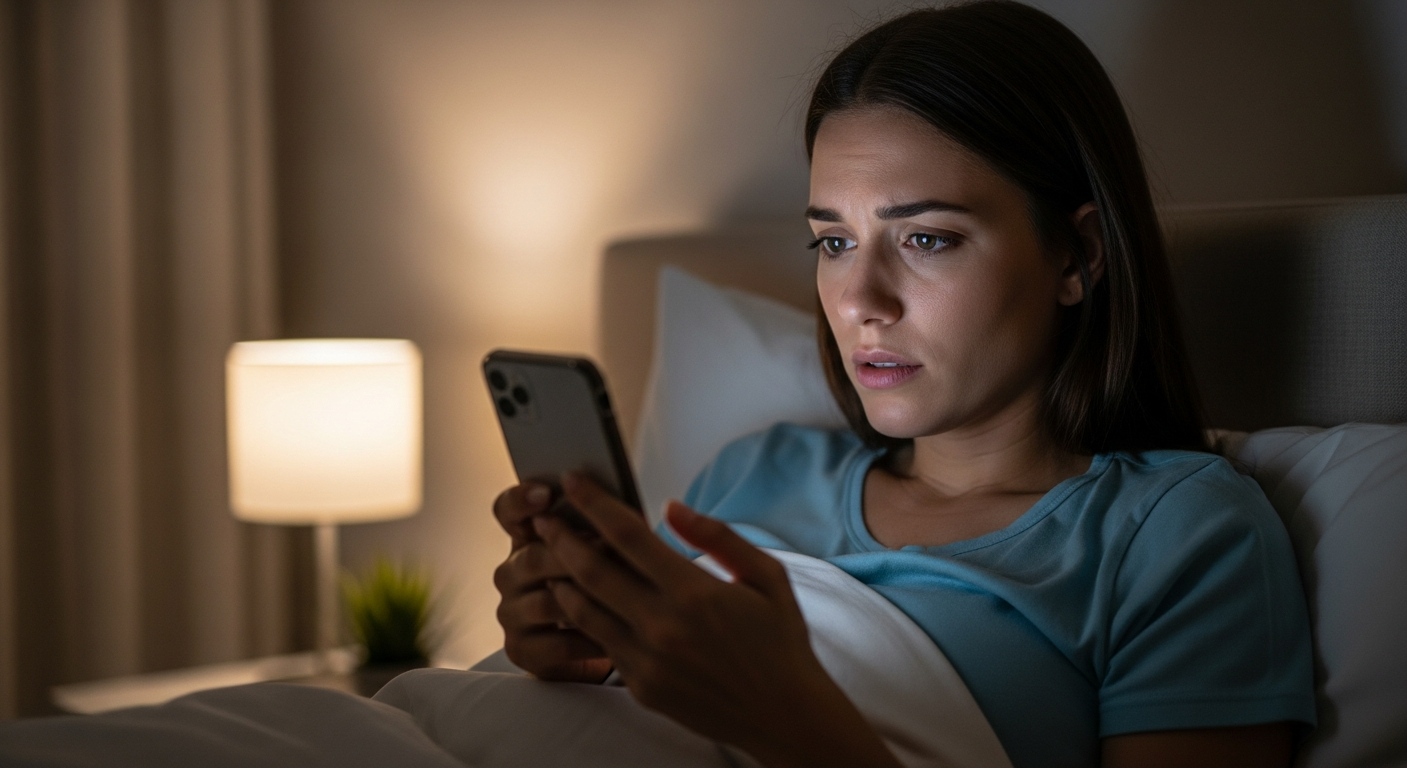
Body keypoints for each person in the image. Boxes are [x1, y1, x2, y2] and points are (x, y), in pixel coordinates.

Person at [490, 2, 1316, 767]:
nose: (859, 302)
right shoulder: (750, 473)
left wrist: (785, 718)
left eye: (925, 238)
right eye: (834, 243)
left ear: (1077, 256)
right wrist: (586, 652)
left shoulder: (1174, 536)